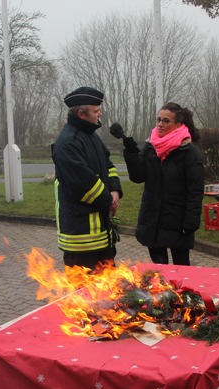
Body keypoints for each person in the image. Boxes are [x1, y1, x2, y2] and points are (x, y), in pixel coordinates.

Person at [109, 102, 204, 265]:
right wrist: (131, 152)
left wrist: (191, 222)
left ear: (178, 125)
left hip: (177, 220)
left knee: (182, 270)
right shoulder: (151, 147)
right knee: (160, 270)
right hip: (153, 219)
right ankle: (163, 292)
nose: (160, 124)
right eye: (158, 120)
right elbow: (138, 176)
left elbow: (195, 191)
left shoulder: (189, 153)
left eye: (166, 121)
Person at [52, 86, 123, 271]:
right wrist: (110, 202)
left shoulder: (90, 136)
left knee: (109, 295)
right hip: (81, 241)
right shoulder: (68, 142)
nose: (99, 115)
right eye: (96, 111)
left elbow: (108, 165)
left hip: (101, 237)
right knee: (83, 297)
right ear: (81, 114)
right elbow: (82, 185)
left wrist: (115, 191)